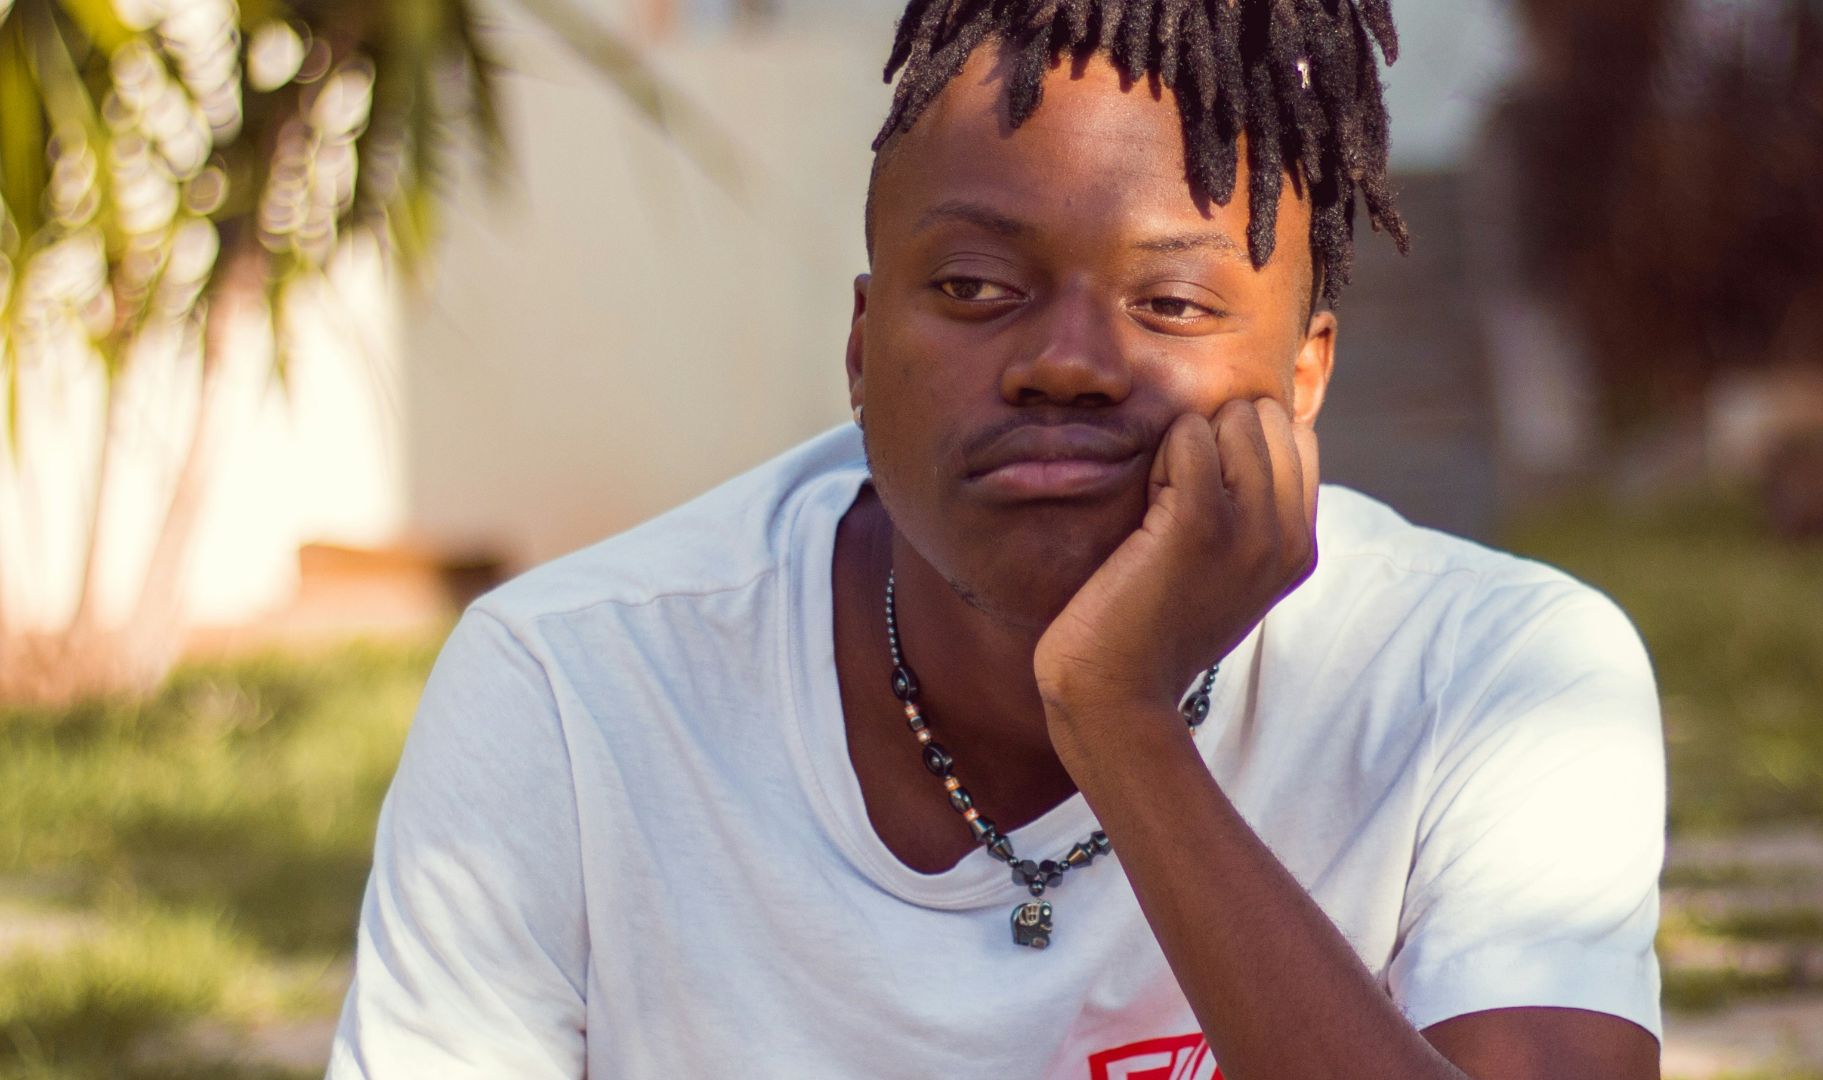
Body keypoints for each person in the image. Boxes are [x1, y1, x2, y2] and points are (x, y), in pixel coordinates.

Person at [326, 1, 1666, 1076]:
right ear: (862, 346)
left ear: (1305, 375)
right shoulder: (572, 690)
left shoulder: (1497, 677)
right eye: (974, 286)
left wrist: (1120, 721)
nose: (1067, 364)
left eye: (1171, 302)